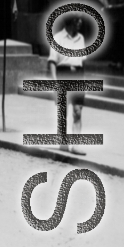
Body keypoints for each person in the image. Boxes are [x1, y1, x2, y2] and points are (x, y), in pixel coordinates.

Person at [47, 14, 87, 156]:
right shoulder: (58, 38)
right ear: (71, 21)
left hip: (77, 76)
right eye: (78, 19)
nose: (81, 22)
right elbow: (52, 62)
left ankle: (76, 145)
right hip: (63, 73)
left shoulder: (81, 38)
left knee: (77, 111)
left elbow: (82, 61)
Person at [97, 0, 124, 70]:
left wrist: (113, 6)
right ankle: (115, 62)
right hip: (109, 21)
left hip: (117, 20)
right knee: (112, 42)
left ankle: (121, 62)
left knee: (119, 41)